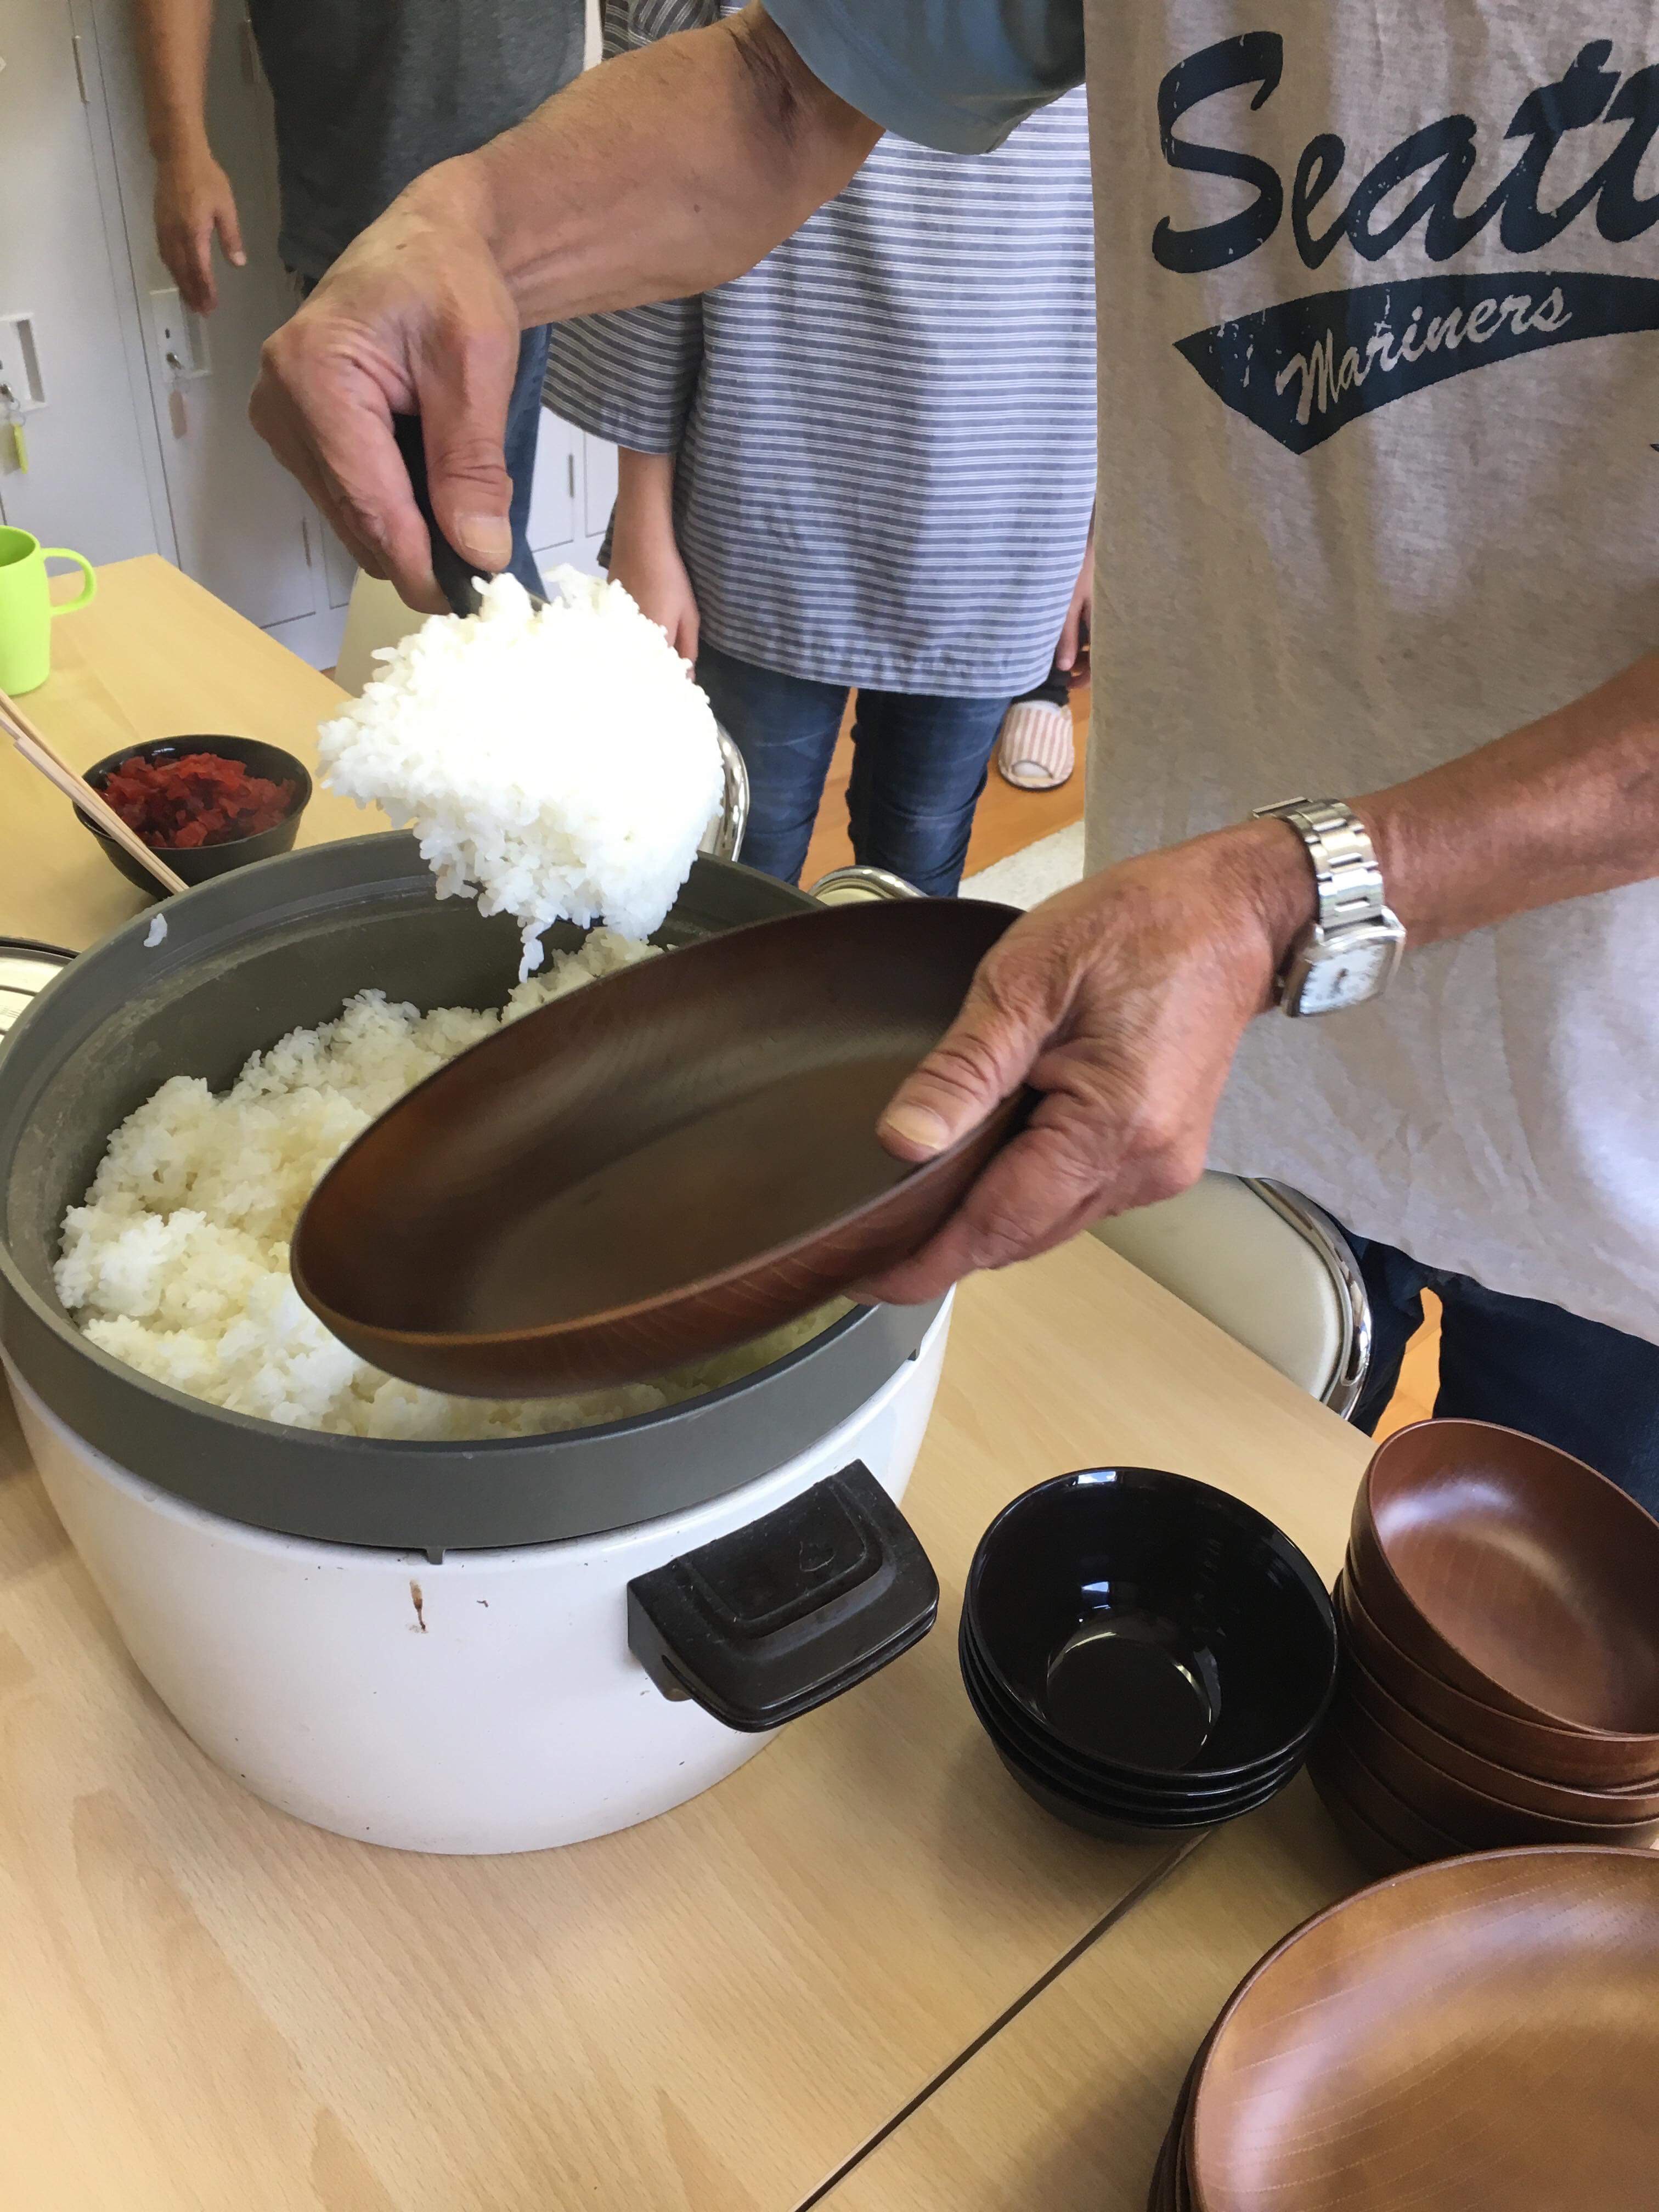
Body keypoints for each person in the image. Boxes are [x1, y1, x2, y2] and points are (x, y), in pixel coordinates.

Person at [246, 8, 1659, 1505]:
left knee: (1528, 1599)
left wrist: (1276, 898)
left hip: (1604, 1104)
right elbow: (787, 87)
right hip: (1192, 1034)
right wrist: (467, 223)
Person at [543, 0, 1094, 896]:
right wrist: (642, 520)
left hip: (1008, 517)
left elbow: (1142, 268)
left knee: (915, 877)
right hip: (762, 505)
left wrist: (1098, 532)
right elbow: (653, 216)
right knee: (734, 863)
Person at [133, 0, 586, 596]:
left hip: (533, 199)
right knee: (443, 559)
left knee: (471, 548)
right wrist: (178, 148)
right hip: (371, 206)